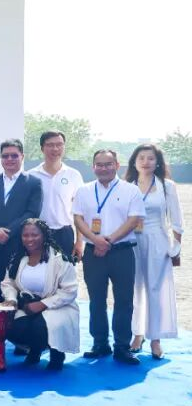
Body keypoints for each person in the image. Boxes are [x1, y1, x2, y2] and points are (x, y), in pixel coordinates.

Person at [73, 150, 145, 364]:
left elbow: (134, 220)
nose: (103, 168)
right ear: (93, 166)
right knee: (96, 300)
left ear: (117, 165)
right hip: (93, 253)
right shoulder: (84, 190)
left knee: (124, 301)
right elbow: (78, 218)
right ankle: (100, 344)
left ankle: (122, 347)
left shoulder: (131, 190)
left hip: (122, 252)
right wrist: (95, 240)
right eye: (99, 164)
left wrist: (108, 241)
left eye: (108, 164)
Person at [126, 144, 183, 358]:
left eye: (150, 158)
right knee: (135, 288)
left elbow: (176, 220)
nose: (145, 162)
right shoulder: (126, 186)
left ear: (157, 162)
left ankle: (156, 339)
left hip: (157, 241)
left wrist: (176, 248)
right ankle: (137, 334)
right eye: (141, 157)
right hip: (131, 241)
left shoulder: (167, 186)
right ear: (134, 162)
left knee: (155, 289)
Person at [0, 219, 80, 371]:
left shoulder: (60, 259)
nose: (29, 239)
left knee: (40, 327)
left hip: (57, 307)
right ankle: (34, 349)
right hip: (27, 306)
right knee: (9, 325)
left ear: (44, 236)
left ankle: (57, 353)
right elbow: (8, 283)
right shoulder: (18, 258)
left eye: (34, 235)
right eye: (25, 235)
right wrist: (11, 299)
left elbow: (69, 291)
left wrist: (42, 304)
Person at [0, 139, 43, 296]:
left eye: (14, 155)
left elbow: (32, 212)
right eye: (5, 156)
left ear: (22, 156)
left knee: (16, 291)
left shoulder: (34, 183)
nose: (9, 159)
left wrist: (8, 232)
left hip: (18, 244)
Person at [27, 131, 85, 258]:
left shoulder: (73, 175)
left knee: (65, 269)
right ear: (42, 148)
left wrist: (80, 241)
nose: (55, 148)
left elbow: (79, 211)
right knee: (39, 269)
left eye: (59, 144)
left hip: (64, 233)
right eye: (50, 145)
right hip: (38, 233)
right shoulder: (31, 175)